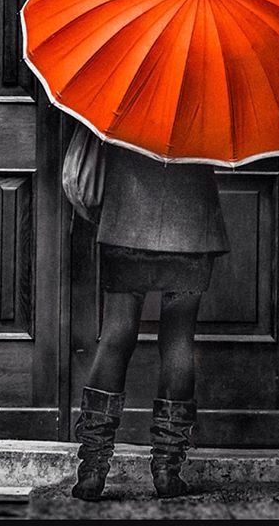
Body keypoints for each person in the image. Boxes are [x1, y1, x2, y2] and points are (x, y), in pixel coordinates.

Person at [71, 143, 230, 501]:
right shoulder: (211, 87)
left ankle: (92, 471)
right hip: (191, 219)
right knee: (178, 341)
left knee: (116, 334)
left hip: (127, 212)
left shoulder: (125, 85)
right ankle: (166, 470)